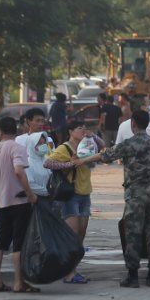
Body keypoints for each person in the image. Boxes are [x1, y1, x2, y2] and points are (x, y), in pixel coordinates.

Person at [100, 109, 150, 287]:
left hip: (135, 195)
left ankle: (132, 276)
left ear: (133, 124)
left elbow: (106, 157)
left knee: (133, 233)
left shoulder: (128, 144)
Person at [0, 117, 39, 293]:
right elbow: (18, 170)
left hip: (2, 203)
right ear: (16, 131)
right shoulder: (17, 148)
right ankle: (18, 282)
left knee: (0, 242)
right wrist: (30, 193)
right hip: (19, 200)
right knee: (19, 242)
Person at [44, 119, 102, 283]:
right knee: (72, 234)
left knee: (80, 235)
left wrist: (94, 136)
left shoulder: (87, 145)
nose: (83, 130)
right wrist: (70, 163)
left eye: (84, 128)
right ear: (70, 131)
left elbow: (103, 148)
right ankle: (69, 273)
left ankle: (73, 269)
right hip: (71, 196)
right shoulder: (65, 148)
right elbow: (47, 163)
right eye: (79, 128)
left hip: (85, 194)